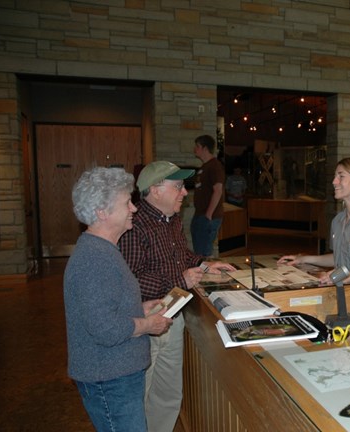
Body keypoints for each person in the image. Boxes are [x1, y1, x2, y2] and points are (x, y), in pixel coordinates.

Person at [118, 160, 235, 432]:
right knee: (141, 394)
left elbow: (180, 256)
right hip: (147, 319)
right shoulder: (134, 226)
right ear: (156, 190)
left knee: (168, 394)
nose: (185, 192)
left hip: (173, 315)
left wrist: (205, 264)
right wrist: (178, 280)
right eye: (179, 187)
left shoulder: (170, 219)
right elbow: (129, 281)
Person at [64, 167, 172, 432]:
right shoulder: (94, 259)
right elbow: (106, 329)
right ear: (102, 212)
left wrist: (139, 308)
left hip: (116, 375)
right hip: (109, 379)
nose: (134, 209)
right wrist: (148, 325)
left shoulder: (104, 250)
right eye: (126, 203)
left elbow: (108, 308)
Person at [278, 157, 350, 321]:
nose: (334, 181)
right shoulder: (338, 221)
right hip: (338, 297)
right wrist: (304, 259)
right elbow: (338, 257)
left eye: (341, 176)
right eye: (335, 176)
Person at [191, 134, 225, 256]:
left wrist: (208, 214)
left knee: (203, 254)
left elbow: (218, 190)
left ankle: (205, 274)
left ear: (205, 148)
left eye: (197, 146)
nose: (195, 149)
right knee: (199, 253)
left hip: (207, 217)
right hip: (200, 215)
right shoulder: (205, 167)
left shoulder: (214, 166)